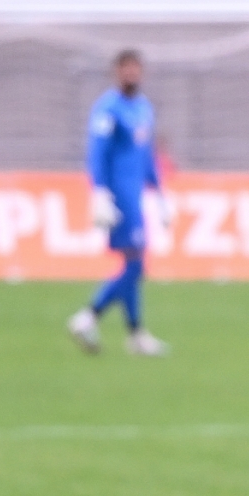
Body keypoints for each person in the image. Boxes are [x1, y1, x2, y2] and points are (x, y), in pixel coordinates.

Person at [68, 51, 169, 357]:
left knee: (133, 265)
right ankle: (89, 316)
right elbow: (97, 152)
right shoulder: (107, 109)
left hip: (136, 195)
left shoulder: (143, 108)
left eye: (135, 69)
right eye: (125, 70)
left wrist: (161, 193)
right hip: (118, 198)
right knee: (136, 264)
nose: (131, 75)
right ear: (116, 73)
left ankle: (135, 334)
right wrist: (99, 192)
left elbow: (146, 154)